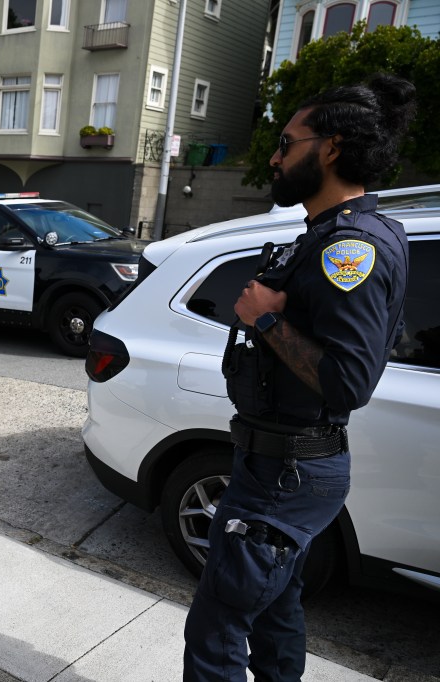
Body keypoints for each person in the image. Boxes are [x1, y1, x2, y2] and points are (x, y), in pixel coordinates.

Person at [183, 74, 416, 681]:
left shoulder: (353, 248)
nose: (274, 156)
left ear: (331, 147)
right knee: (273, 608)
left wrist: (264, 321)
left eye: (286, 143)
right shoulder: (331, 237)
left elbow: (349, 382)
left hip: (285, 478)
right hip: (274, 466)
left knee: (216, 631)